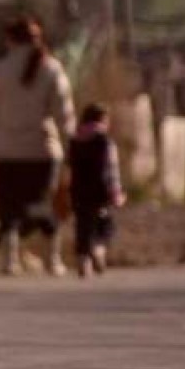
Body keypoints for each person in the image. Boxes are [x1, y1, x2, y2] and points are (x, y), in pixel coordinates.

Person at [0, 15, 76, 276]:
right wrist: (72, 148)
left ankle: (9, 260)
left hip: (7, 150)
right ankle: (53, 259)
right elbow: (64, 114)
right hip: (42, 149)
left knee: (7, 207)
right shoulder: (52, 69)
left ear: (10, 40)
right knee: (42, 204)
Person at [68, 103, 127, 278]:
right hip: (99, 192)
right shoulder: (105, 142)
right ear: (102, 120)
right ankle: (98, 250)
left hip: (78, 191)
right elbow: (111, 170)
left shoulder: (74, 141)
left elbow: (69, 167)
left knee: (82, 226)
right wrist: (115, 193)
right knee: (104, 226)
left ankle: (83, 260)